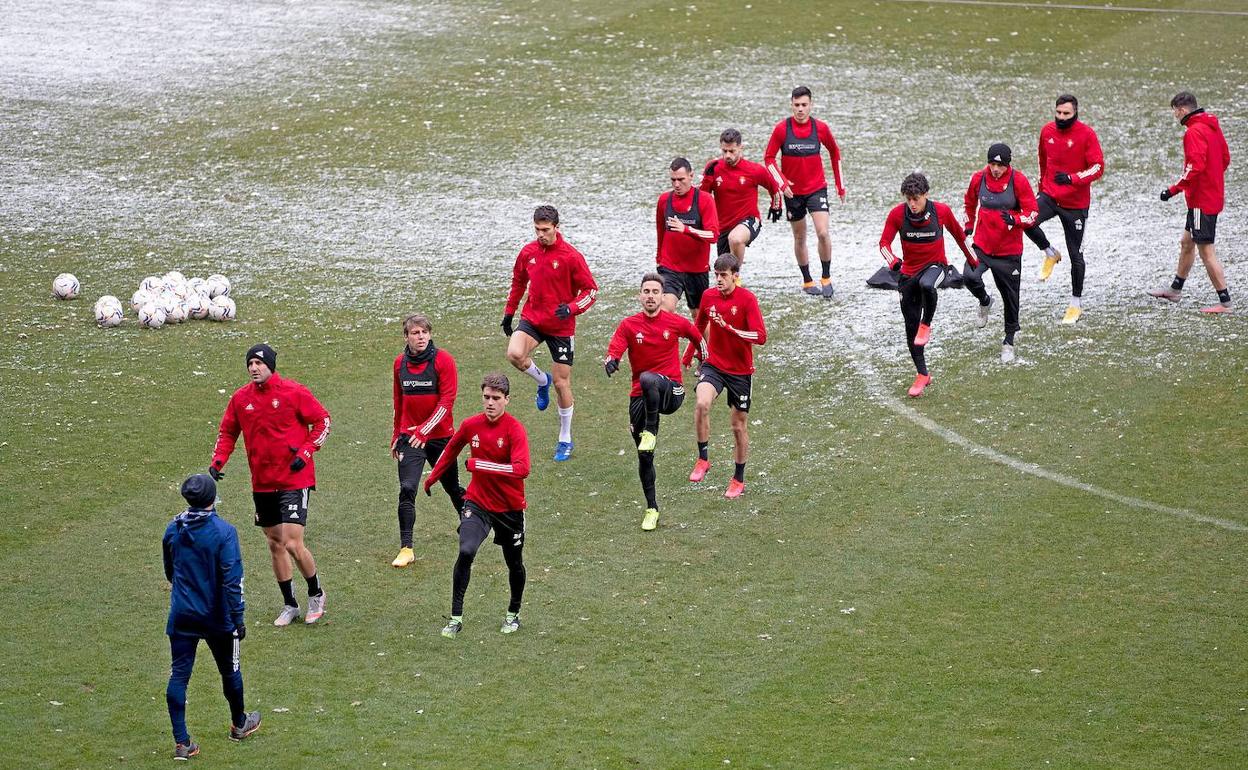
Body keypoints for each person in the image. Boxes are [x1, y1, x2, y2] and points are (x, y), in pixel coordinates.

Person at [210, 343, 332, 626]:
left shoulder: (294, 392)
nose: (254, 368)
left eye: (259, 363)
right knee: (275, 543)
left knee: (291, 542)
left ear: (271, 365)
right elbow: (228, 431)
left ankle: (316, 593)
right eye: (250, 364)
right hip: (263, 482)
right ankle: (290, 604)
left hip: (294, 478)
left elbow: (323, 422)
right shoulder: (241, 399)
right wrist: (217, 462)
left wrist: (306, 451)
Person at [163, 473, 261, 760]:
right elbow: (233, 580)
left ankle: (182, 743)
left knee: (178, 675)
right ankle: (239, 724)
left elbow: (170, 571)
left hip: (182, 614)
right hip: (217, 617)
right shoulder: (224, 532)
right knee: (230, 670)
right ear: (212, 498)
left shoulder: (174, 529)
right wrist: (238, 618)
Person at [425, 374, 530, 638]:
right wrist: (431, 478)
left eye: (496, 398)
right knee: (466, 549)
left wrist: (479, 464)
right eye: (486, 398)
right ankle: (455, 618)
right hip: (478, 502)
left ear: (507, 399)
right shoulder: (471, 425)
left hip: (509, 508)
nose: (490, 403)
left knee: (513, 563)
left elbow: (522, 469)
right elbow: (450, 450)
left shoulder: (514, 429)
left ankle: (513, 613)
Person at [604, 273, 707, 531]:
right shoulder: (629, 325)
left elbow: (699, 339)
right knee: (644, 455)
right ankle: (652, 508)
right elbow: (614, 349)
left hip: (672, 392)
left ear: (663, 296)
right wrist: (612, 361)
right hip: (640, 397)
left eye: (655, 291)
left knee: (649, 378)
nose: (650, 296)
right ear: (640, 296)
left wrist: (704, 365)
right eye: (646, 291)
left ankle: (651, 430)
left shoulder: (674, 322)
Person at [502, 205, 598, 462]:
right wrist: (509, 313)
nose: (541, 234)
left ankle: (565, 439)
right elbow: (518, 282)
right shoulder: (528, 252)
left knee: (561, 383)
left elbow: (591, 291)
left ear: (557, 227)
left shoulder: (570, 256)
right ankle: (540, 380)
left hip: (561, 327)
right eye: (537, 229)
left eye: (545, 230)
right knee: (514, 353)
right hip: (533, 319)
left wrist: (572, 308)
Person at [879, 172, 978, 397]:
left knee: (927, 285)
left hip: (936, 267)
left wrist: (973, 261)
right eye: (909, 199)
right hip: (907, 275)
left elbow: (960, 237)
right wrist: (893, 261)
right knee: (910, 332)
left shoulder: (941, 211)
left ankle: (927, 324)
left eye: (916, 198)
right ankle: (923, 374)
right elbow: (884, 243)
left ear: (926, 195)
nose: (912, 204)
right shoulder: (897, 214)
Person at [683, 253, 766, 499]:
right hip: (714, 365)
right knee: (701, 402)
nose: (718, 280)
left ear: (735, 277)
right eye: (716, 275)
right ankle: (703, 458)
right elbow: (698, 328)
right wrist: (689, 354)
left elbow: (760, 337)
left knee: (738, 426)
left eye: (723, 275)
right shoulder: (708, 297)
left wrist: (731, 329)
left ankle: (738, 478)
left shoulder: (747, 300)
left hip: (740, 371)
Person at [390, 313, 465, 568]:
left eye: (424, 332)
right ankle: (406, 547)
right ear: (406, 337)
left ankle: (469, 522)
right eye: (415, 333)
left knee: (452, 487)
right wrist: (396, 435)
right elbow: (398, 402)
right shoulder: (399, 364)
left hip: (440, 438)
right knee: (407, 489)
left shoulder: (444, 361)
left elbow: (447, 402)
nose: (420, 337)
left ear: (430, 334)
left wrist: (425, 430)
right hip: (410, 438)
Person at [1024, 94, 1105, 324]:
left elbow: (1097, 167)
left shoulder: (1086, 134)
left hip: (1075, 204)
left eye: (1066, 114)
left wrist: (1072, 178)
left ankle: (1075, 304)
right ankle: (1049, 252)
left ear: (1075, 113)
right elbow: (1042, 159)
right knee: (1026, 220)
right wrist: (1042, 187)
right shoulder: (1047, 131)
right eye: (1058, 113)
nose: (1061, 117)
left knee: (1076, 255)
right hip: (1049, 195)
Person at [1149, 91, 1232, 314]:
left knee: (1206, 251)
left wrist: (1173, 190)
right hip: (1210, 196)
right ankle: (1175, 290)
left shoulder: (1193, 132)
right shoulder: (1211, 126)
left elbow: (1195, 167)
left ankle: (1225, 303)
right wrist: (1212, 180)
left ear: (1182, 109)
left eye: (1175, 112)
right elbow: (1225, 158)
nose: (1175, 116)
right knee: (1187, 242)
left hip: (1201, 201)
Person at [764, 85, 847, 298]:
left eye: (804, 105)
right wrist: (782, 184)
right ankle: (808, 280)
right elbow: (769, 159)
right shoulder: (782, 129)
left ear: (811, 105)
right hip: (793, 194)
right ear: (791, 105)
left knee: (823, 232)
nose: (800, 109)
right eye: (796, 105)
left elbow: (835, 153)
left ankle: (826, 277)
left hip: (816, 189)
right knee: (800, 237)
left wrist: (840, 185)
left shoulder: (820, 128)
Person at [962, 143, 1039, 363]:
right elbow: (969, 202)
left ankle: (1008, 342)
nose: (995, 169)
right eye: (992, 164)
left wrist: (1015, 219)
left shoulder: (1019, 181)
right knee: (969, 276)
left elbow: (1032, 213)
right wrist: (969, 226)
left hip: (1008, 251)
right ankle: (985, 301)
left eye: (1000, 165)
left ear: (1008, 164)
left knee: (1011, 298)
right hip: (983, 245)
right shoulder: (979, 178)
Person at [699, 128, 782, 273]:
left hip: (749, 220)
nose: (727, 155)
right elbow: (703, 198)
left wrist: (776, 207)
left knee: (736, 239)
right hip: (723, 227)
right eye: (724, 151)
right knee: (722, 272)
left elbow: (774, 188)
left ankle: (736, 277)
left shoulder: (754, 170)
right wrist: (707, 180)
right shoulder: (714, 167)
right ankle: (733, 286)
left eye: (732, 151)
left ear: (740, 147)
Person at [657, 157, 720, 315]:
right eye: (673, 180)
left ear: (691, 175)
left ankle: (703, 341)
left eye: (681, 179)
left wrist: (686, 229)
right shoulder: (664, 200)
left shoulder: (705, 200)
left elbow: (713, 235)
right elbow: (660, 231)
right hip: (670, 266)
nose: (676, 184)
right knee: (665, 309)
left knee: (699, 318)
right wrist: (659, 258)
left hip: (697, 269)